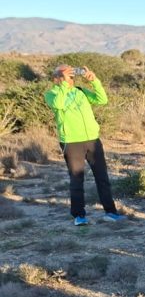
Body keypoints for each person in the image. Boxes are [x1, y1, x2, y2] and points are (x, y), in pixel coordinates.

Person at [44, 64, 125, 225]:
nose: (71, 79)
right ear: (56, 78)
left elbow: (102, 100)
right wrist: (63, 85)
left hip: (92, 140)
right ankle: (79, 216)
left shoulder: (80, 91)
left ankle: (110, 212)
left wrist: (94, 81)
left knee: (102, 177)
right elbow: (59, 104)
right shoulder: (52, 94)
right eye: (67, 75)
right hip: (71, 142)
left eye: (72, 76)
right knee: (77, 179)